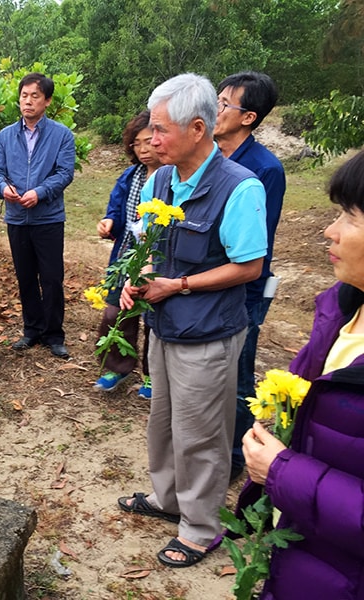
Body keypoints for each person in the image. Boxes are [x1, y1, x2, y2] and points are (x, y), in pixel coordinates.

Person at [117, 73, 267, 567]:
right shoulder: (162, 179)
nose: (151, 139)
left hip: (207, 333)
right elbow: (148, 243)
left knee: (201, 433)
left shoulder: (240, 188)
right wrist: (134, 279)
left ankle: (201, 528)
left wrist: (177, 286)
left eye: (159, 130)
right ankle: (168, 500)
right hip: (165, 326)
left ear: (198, 128)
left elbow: (249, 266)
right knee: (163, 422)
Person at [241, 150, 364, 598]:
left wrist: (281, 470)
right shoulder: (340, 309)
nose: (328, 231)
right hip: (310, 560)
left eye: (349, 216)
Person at [214, 71, 287, 482]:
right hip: (207, 279)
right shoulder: (209, 154)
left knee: (239, 372)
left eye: (226, 104)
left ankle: (238, 458)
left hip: (244, 288)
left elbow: (255, 243)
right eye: (217, 99)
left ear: (248, 117)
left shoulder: (265, 168)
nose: (217, 109)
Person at [0, 72, 76, 359]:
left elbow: (65, 173)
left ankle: (54, 335)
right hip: (16, 217)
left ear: (47, 101)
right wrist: (4, 188)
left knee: (51, 278)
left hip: (48, 217)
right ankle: (32, 330)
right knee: (25, 276)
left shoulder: (62, 135)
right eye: (24, 96)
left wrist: (39, 192)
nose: (28, 101)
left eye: (35, 96)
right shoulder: (5, 135)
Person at [94, 110, 161, 397]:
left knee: (155, 320)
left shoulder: (174, 177)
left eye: (149, 141)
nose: (144, 149)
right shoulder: (130, 176)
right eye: (137, 143)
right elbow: (116, 210)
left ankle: (152, 376)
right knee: (116, 312)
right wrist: (109, 222)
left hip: (159, 261)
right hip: (125, 257)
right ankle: (118, 367)